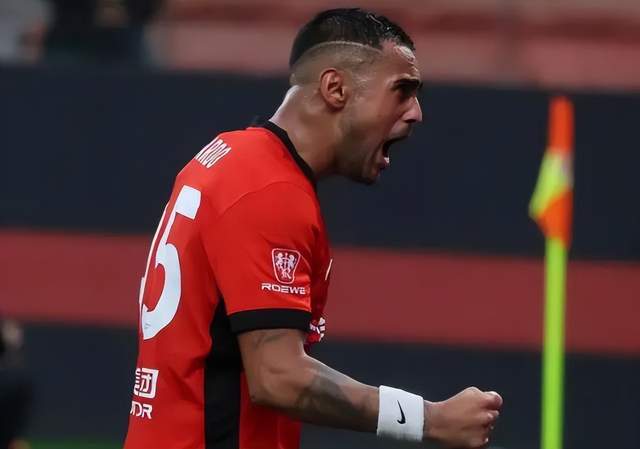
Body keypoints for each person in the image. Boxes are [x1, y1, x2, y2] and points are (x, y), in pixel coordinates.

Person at [123, 8, 502, 449]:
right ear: (335, 88)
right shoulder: (269, 190)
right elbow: (279, 378)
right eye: (401, 91)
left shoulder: (228, 156)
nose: (416, 112)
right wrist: (427, 419)